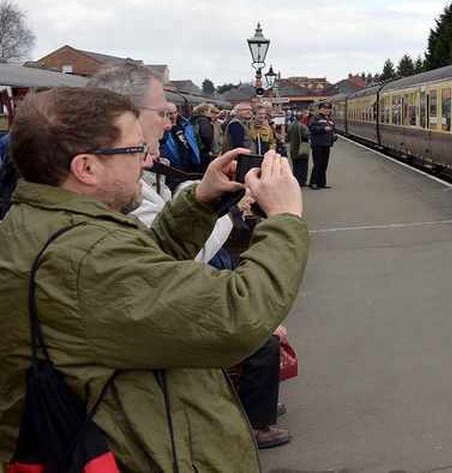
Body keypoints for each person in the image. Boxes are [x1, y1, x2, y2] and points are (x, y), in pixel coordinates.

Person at [0, 87, 308, 469]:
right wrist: (284, 221)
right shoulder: (84, 258)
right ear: (86, 168)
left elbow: (143, 275)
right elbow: (237, 315)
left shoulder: (46, 224)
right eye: (134, 152)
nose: (147, 162)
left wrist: (201, 201)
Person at [308, 102, 336, 189]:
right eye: (324, 108)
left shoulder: (330, 120)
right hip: (317, 144)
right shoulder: (315, 118)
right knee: (317, 163)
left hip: (326, 144)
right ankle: (313, 183)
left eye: (328, 109)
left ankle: (322, 183)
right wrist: (323, 129)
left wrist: (333, 137)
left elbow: (332, 130)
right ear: (320, 109)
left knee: (324, 164)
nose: (326, 110)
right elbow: (312, 128)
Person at [287, 111, 312, 186]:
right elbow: (307, 135)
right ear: (302, 118)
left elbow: (288, 136)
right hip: (301, 149)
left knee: (295, 166)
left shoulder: (291, 125)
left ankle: (296, 180)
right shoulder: (302, 126)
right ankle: (302, 181)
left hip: (293, 148)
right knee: (303, 166)